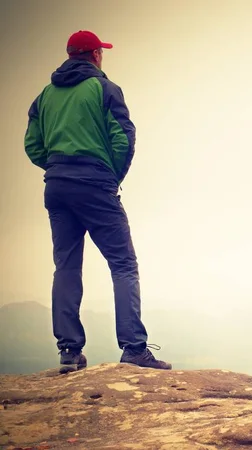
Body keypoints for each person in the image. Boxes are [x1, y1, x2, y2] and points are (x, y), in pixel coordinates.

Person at [24, 30, 171, 373]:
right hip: (95, 183)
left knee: (66, 266)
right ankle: (134, 348)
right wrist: (110, 176)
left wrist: (58, 167)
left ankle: (69, 351)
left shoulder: (44, 96)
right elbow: (124, 138)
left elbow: (33, 144)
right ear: (95, 55)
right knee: (123, 264)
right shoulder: (104, 89)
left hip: (57, 187)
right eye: (101, 52)